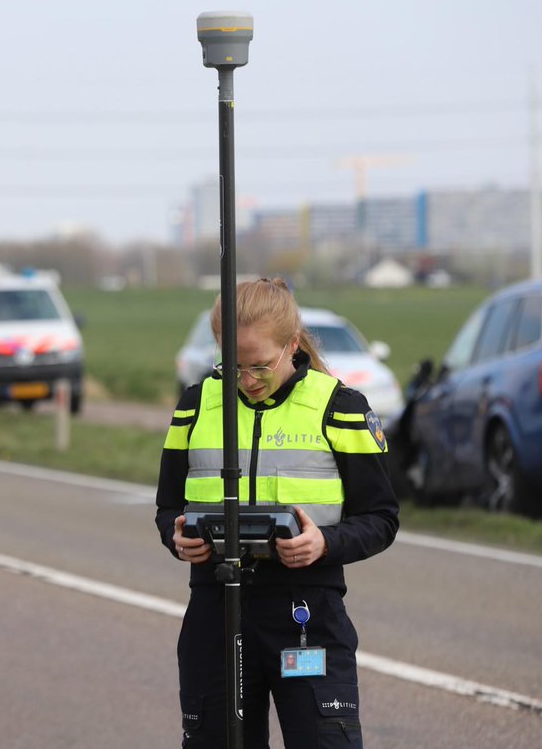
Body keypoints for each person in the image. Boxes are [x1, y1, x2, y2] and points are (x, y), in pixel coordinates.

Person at [156, 278, 399, 748]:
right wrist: (176, 535)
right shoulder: (196, 404)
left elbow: (382, 518)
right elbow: (169, 506)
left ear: (291, 345)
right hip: (216, 612)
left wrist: (324, 542)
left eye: (260, 366)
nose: (246, 379)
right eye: (233, 365)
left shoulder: (340, 408)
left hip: (305, 615)